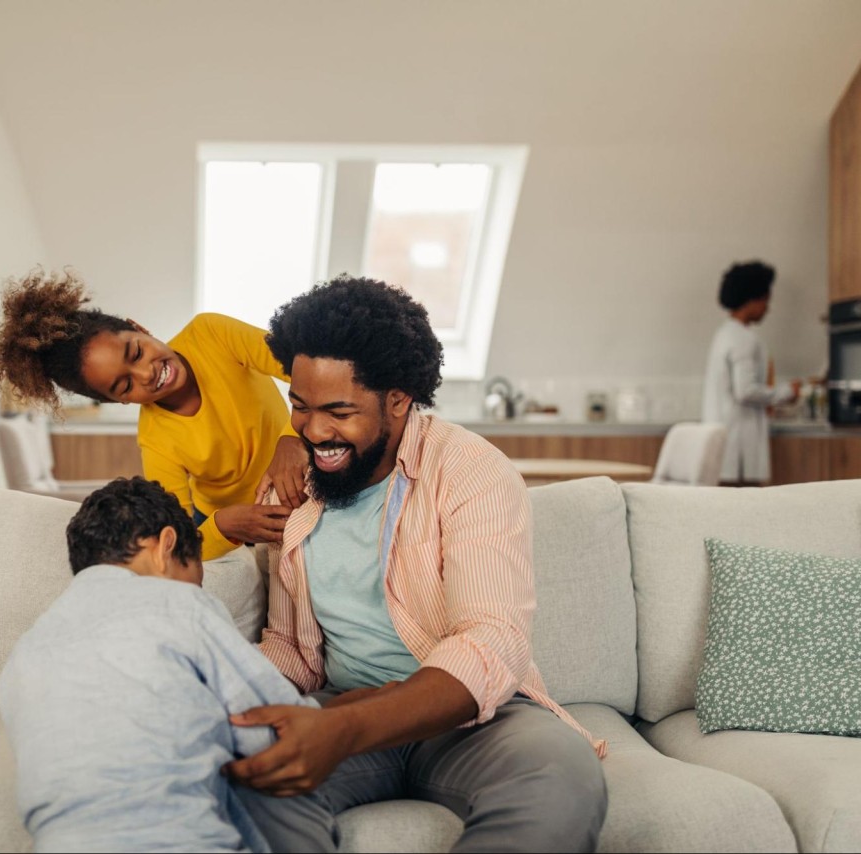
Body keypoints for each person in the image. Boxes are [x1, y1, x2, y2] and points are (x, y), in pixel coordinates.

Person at [225, 275, 608, 853]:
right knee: (240, 782)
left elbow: (492, 640)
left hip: (469, 721)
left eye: (338, 411)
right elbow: (292, 650)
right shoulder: (293, 486)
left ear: (398, 398)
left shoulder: (471, 470)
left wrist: (344, 728)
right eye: (299, 407)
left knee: (561, 774)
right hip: (343, 707)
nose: (313, 430)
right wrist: (219, 698)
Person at [0, 476, 321, 853]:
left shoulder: (25, 652)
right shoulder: (177, 604)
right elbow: (276, 728)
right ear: (166, 545)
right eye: (193, 578)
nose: (193, 591)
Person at [0, 267, 308, 560]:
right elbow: (177, 542)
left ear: (140, 328)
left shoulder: (212, 334)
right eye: (125, 386)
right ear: (117, 402)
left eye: (136, 352)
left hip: (292, 467)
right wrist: (224, 526)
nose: (145, 375)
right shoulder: (155, 440)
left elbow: (305, 369)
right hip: (221, 516)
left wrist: (291, 439)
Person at [701, 260, 801, 485]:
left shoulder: (724, 334)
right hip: (738, 447)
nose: (768, 307)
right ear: (753, 299)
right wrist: (786, 392)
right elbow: (745, 390)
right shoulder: (744, 339)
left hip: (723, 440)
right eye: (766, 300)